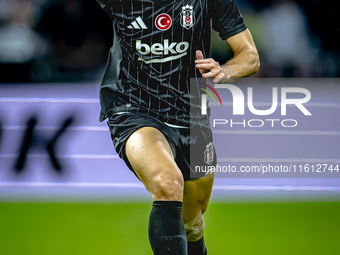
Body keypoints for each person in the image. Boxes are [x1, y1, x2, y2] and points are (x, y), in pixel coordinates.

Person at [95, 0, 259, 254]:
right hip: (134, 107)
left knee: (192, 223)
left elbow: (250, 56)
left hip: (192, 116)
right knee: (168, 183)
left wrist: (225, 70)